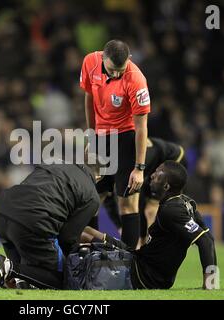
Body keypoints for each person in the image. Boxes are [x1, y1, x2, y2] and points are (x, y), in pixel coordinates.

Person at [82, 160, 218, 289]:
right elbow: (209, 239)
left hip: (142, 275)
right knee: (88, 231)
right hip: (140, 260)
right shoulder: (186, 202)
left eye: (158, 174)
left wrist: (210, 285)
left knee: (84, 238)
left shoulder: (172, 211)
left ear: (166, 186)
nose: (152, 175)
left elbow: (205, 241)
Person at [0, 162, 100, 290]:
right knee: (62, 279)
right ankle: (7, 268)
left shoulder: (54, 165)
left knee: (28, 277)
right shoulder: (91, 195)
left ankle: (8, 277)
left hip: (2, 211)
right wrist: (71, 264)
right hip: (31, 221)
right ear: (98, 177)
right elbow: (68, 237)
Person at [80, 39, 151, 249]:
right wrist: (92, 137)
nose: (117, 74)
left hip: (126, 137)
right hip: (101, 138)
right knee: (91, 200)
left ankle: (128, 261)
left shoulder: (137, 80)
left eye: (121, 70)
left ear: (128, 60)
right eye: (112, 70)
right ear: (102, 58)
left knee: (127, 203)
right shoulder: (89, 62)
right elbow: (89, 99)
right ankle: (88, 253)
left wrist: (139, 168)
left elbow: (141, 127)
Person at [103, 137, 187, 248]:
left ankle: (153, 245)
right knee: (137, 206)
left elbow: (138, 205)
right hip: (150, 168)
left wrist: (139, 238)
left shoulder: (133, 163)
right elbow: (108, 201)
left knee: (150, 209)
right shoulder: (108, 170)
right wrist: (120, 227)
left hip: (173, 158)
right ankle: (144, 244)